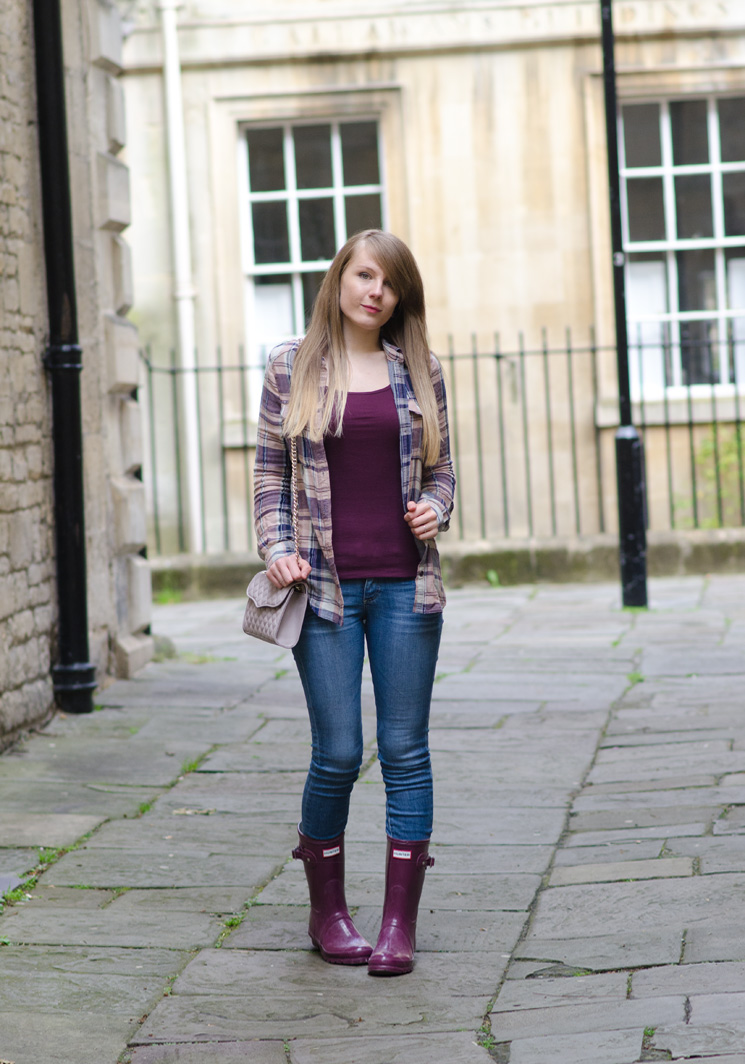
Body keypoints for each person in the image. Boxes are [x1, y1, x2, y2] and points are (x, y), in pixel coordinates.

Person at [253, 229, 455, 976]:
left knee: (404, 750)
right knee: (337, 751)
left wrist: (437, 508)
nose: (375, 292)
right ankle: (327, 912)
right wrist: (276, 547)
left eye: (390, 283)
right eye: (365, 275)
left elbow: (443, 474)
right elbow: (270, 473)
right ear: (340, 277)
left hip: (408, 588)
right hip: (325, 591)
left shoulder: (421, 369)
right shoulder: (290, 366)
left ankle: (398, 926)